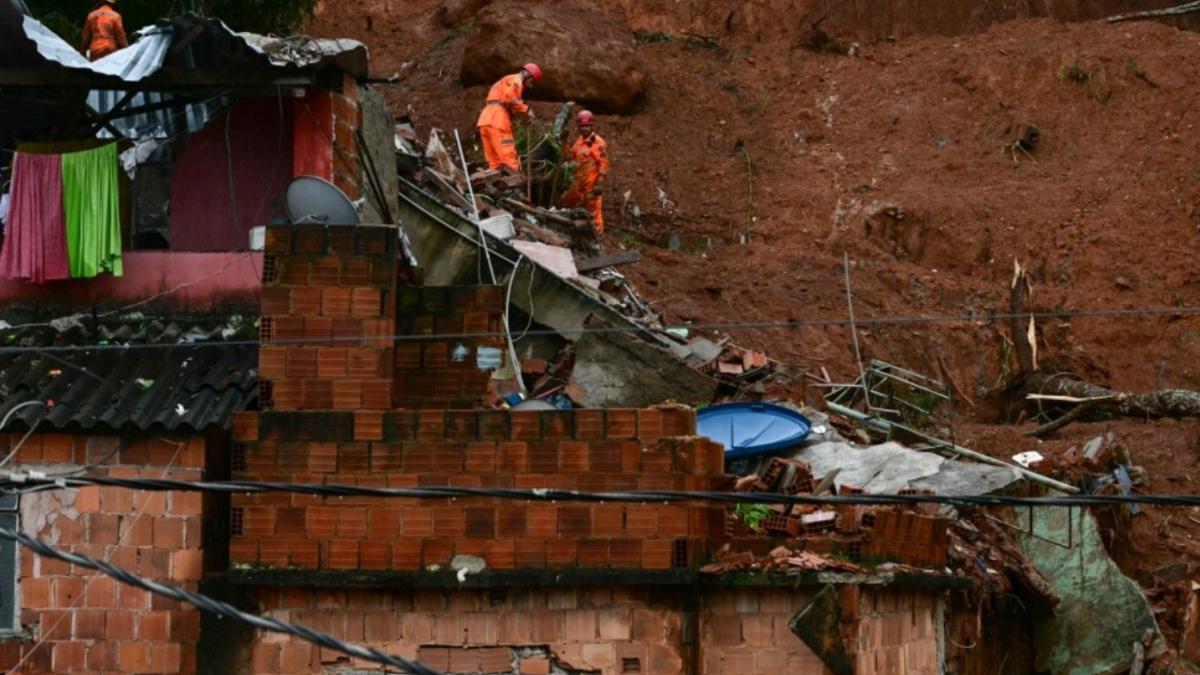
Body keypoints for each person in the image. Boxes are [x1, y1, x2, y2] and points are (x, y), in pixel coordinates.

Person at [476, 63, 542, 173]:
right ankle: (513, 186)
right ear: (527, 75)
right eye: (532, 81)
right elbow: (510, 99)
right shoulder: (516, 80)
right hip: (498, 121)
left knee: (494, 161)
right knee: (508, 158)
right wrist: (526, 110)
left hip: (485, 121)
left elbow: (505, 100)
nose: (530, 85)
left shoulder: (504, 80)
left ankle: (497, 185)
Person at [561, 110, 610, 234]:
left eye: (587, 126)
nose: (584, 129)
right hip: (578, 183)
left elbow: (604, 163)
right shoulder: (579, 141)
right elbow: (570, 156)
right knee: (571, 206)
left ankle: (598, 236)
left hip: (591, 184)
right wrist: (564, 143)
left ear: (592, 125)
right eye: (582, 126)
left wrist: (599, 183)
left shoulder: (598, 143)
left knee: (593, 211)